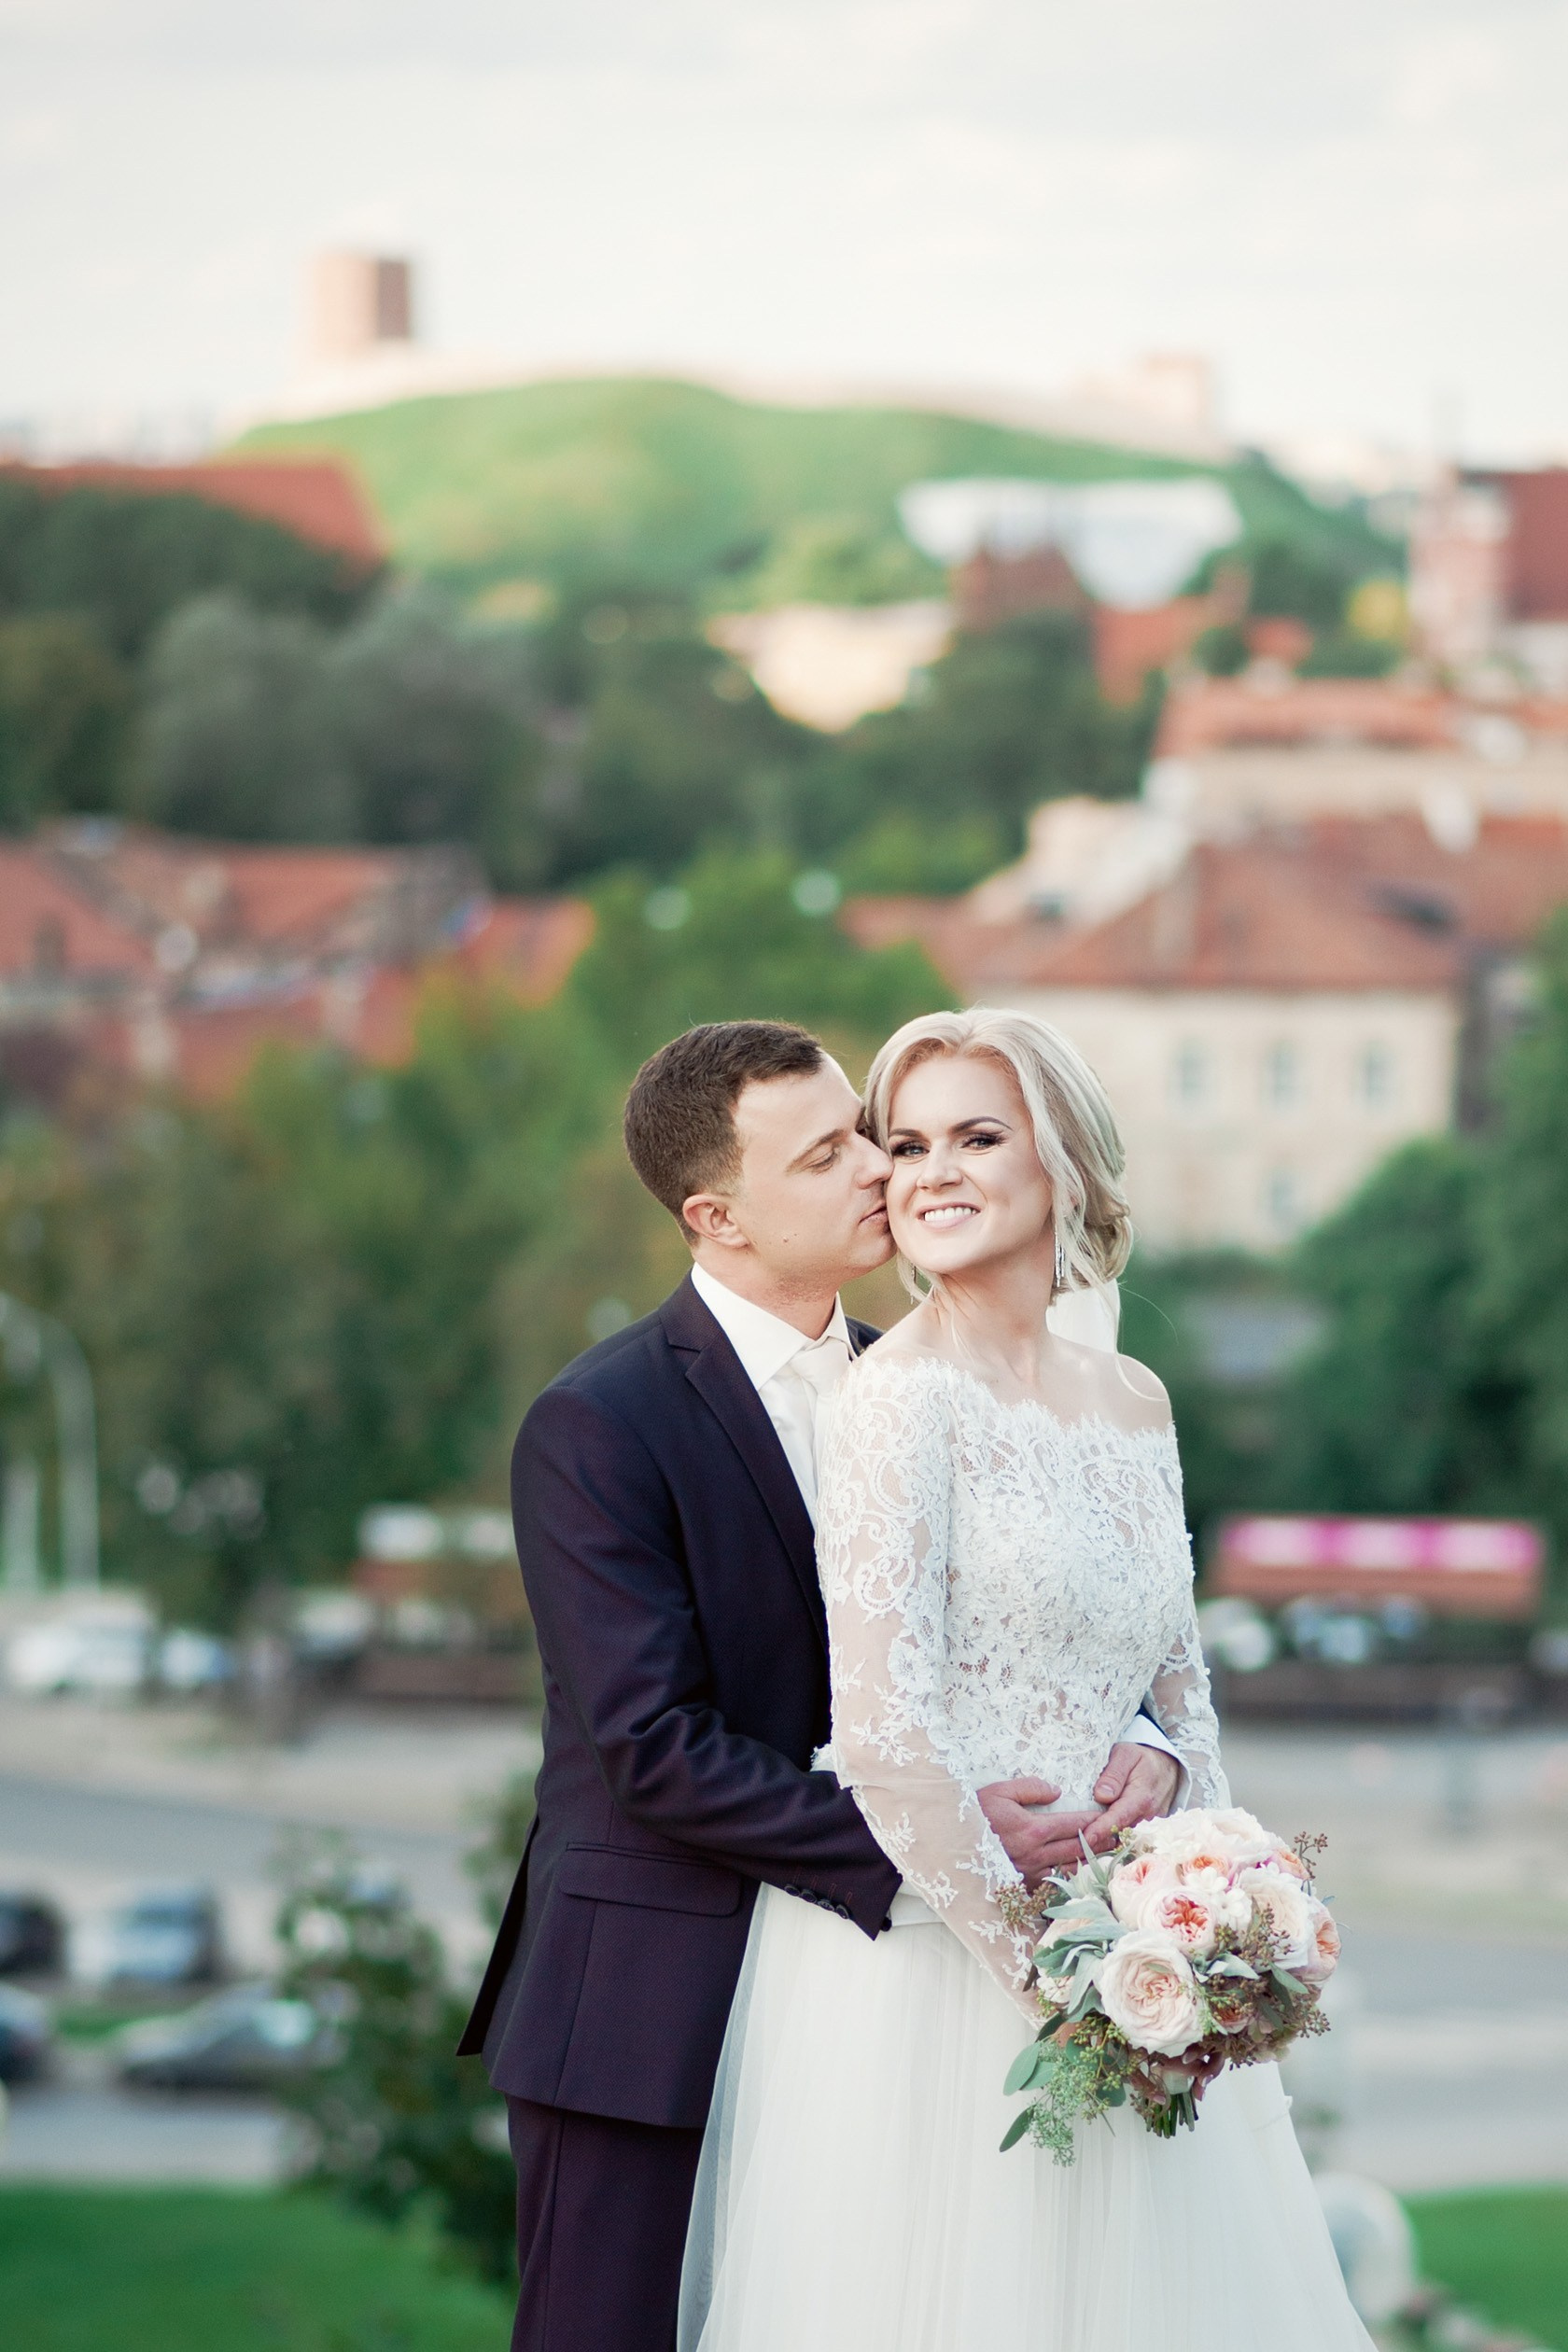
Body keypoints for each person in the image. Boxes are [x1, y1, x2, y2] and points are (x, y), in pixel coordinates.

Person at [460, 1019, 1184, 2352]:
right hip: (651, 2007)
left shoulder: (932, 1376)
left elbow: (1028, 1617)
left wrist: (1136, 1734)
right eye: (829, 1153)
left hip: (886, 2009)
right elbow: (653, 1745)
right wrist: (938, 1844)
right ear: (717, 1215)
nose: (879, 1167)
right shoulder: (599, 1424)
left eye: (872, 1130)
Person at [678, 1008, 1374, 2352]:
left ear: (1060, 1163)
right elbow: (883, 1741)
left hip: (1139, 1940)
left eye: (976, 1137)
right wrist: (1064, 1987)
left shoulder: (1136, 1401)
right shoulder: (893, 1401)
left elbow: (1182, 1689)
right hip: (942, 1976)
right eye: (909, 1142)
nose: (929, 1171)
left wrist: (1195, 1856)